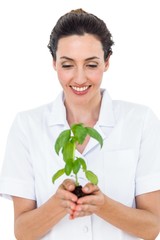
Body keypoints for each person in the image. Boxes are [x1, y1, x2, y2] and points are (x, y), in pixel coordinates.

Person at [0, 8, 160, 240]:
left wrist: (103, 206)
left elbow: (151, 228)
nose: (80, 78)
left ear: (106, 62)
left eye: (91, 65)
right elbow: (22, 232)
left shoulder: (141, 120)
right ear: (54, 63)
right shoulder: (27, 125)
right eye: (67, 65)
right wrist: (57, 205)